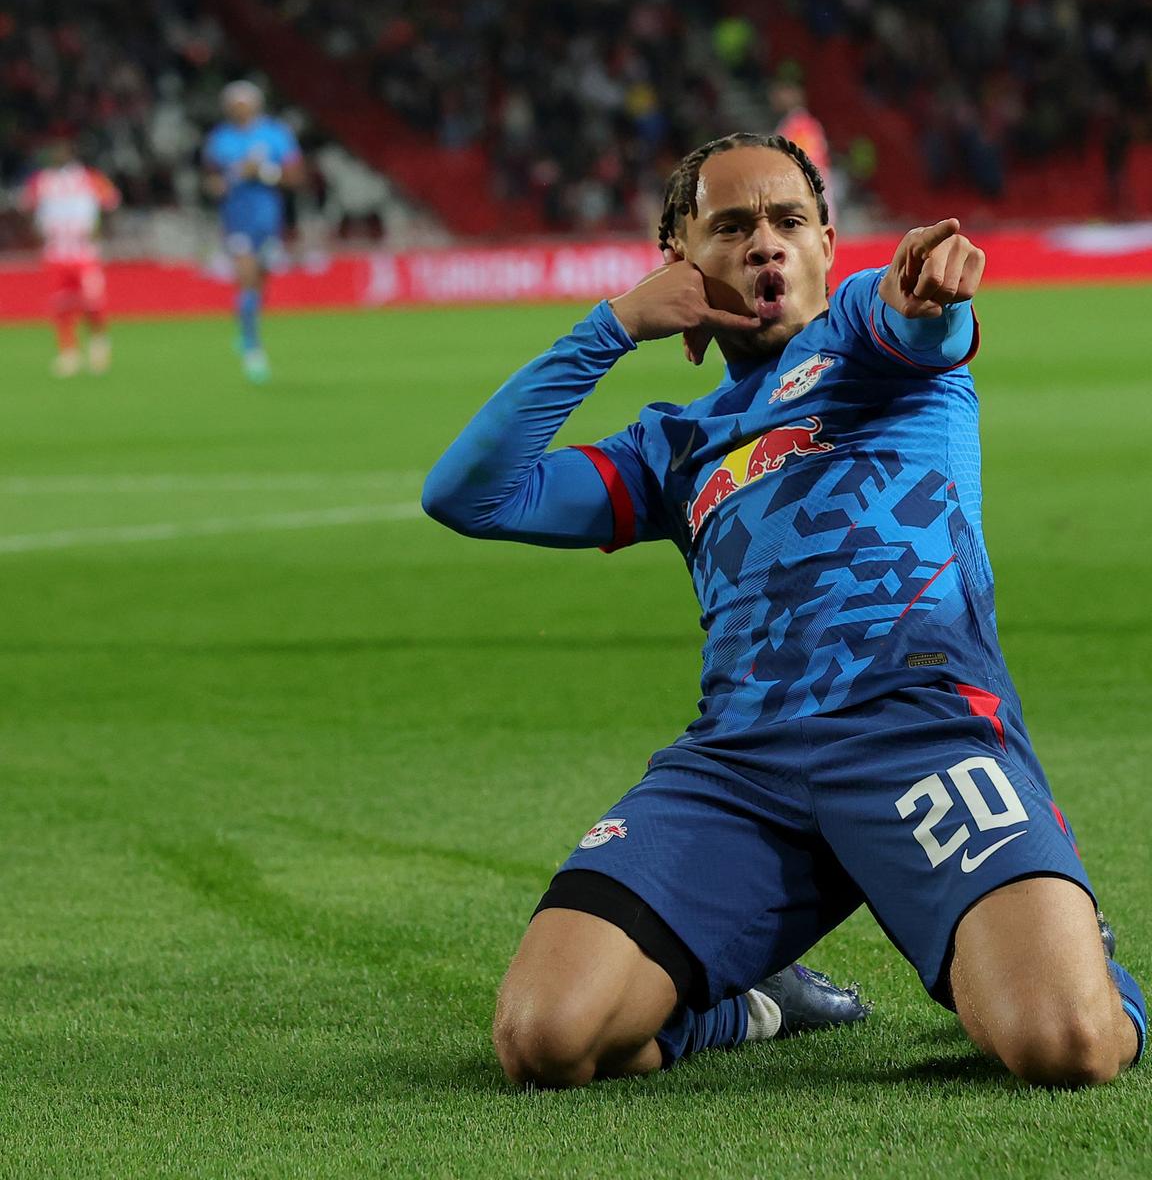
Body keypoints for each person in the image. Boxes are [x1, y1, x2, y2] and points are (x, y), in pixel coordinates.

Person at [423, 132, 1146, 1089]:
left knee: (1068, 1045)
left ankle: (1092, 959)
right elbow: (470, 496)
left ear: (825, 246)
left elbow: (916, 319)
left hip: (915, 732)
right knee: (544, 1039)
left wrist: (928, 286)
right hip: (740, 767)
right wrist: (613, 325)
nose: (765, 243)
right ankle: (755, 1003)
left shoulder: (864, 340)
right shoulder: (668, 450)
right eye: (730, 227)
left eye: (789, 221)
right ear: (680, 261)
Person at [202, 81, 303, 383]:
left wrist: (262, 172)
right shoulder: (220, 139)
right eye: (234, 105)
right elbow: (211, 180)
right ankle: (253, 347)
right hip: (237, 218)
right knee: (246, 275)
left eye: (244, 104)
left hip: (269, 218)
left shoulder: (276, 135)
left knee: (259, 279)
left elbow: (295, 177)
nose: (239, 109)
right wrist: (221, 183)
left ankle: (247, 324)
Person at [20, 139, 120, 378]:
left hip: (84, 253)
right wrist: (38, 231)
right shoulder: (41, 181)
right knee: (61, 305)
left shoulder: (90, 178)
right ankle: (69, 353)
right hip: (56, 253)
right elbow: (27, 207)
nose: (59, 156)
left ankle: (98, 345)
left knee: (92, 303)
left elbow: (111, 203)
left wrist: (99, 230)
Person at [770, 76, 834, 223]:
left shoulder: (800, 124)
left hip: (809, 184)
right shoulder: (796, 122)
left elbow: (807, 157)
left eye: (781, 93)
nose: (775, 97)